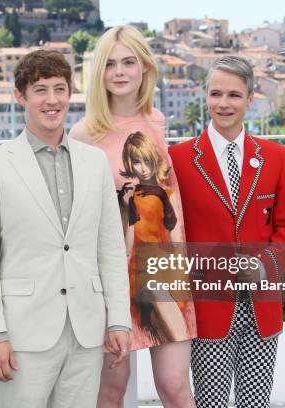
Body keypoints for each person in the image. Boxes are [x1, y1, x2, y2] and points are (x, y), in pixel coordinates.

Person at [0, 49, 132, 408]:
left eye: (60, 88)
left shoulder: (95, 162)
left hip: (87, 329)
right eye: (40, 90)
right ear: (20, 96)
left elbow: (110, 250)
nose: (52, 100)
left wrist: (119, 320)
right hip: (23, 333)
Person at [70, 25, 197, 408]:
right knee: (111, 389)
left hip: (165, 268)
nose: (119, 72)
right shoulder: (83, 134)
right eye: (109, 64)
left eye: (128, 62)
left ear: (144, 68)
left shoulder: (156, 122)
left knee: (174, 385)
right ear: (99, 73)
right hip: (111, 275)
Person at [168, 55, 285, 407]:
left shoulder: (274, 157)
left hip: (262, 307)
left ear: (250, 99)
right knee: (210, 402)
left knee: (255, 403)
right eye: (215, 94)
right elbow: (170, 233)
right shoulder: (179, 159)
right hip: (207, 305)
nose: (223, 104)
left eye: (233, 95)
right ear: (206, 97)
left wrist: (262, 265)